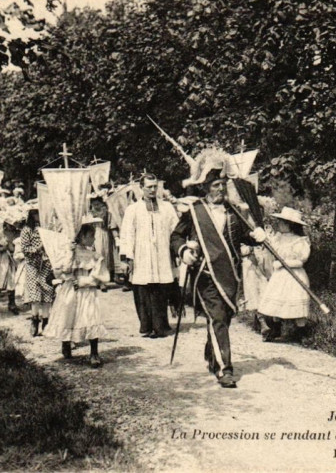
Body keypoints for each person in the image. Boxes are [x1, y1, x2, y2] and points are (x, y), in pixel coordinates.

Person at [170, 150, 266, 388]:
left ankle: (213, 355)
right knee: (218, 318)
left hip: (231, 273)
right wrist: (183, 250)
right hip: (206, 273)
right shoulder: (195, 211)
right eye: (215, 185)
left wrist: (257, 236)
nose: (220, 189)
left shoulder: (234, 211)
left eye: (223, 185)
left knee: (225, 318)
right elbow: (175, 236)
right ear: (205, 187)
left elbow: (245, 236)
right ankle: (225, 369)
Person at [120, 173, 180, 338]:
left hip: (162, 254)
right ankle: (147, 326)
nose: (153, 190)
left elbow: (176, 230)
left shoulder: (167, 207)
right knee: (144, 289)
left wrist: (177, 251)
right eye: (149, 187)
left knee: (161, 289)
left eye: (155, 186)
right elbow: (127, 234)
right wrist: (127, 258)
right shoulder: (133, 209)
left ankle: (161, 326)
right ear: (141, 188)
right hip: (142, 255)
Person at [46, 216, 110, 367]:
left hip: (87, 291)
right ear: (81, 236)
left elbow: (99, 276)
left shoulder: (94, 256)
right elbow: (61, 271)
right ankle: (66, 343)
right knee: (68, 315)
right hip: (70, 290)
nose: (94, 239)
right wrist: (70, 253)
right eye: (91, 236)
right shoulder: (68, 253)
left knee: (90, 318)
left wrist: (83, 281)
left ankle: (94, 352)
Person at [257, 207, 311, 341]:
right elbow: (271, 251)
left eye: (282, 222)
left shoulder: (300, 241)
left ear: (290, 225)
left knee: (295, 301)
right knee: (277, 301)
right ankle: (275, 330)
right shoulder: (278, 238)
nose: (279, 225)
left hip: (294, 276)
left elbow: (301, 260)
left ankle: (300, 333)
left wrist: (283, 263)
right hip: (280, 276)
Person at [21, 206, 55, 336]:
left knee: (47, 292)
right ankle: (34, 320)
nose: (38, 215)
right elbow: (25, 249)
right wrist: (38, 248)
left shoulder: (46, 229)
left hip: (46, 264)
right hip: (33, 264)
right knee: (34, 294)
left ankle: (46, 321)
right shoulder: (26, 230)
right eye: (35, 213)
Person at [0, 221, 21, 314]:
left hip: (18, 259)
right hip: (6, 260)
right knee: (11, 280)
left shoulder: (19, 233)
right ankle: (12, 303)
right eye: (9, 224)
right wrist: (4, 247)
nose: (12, 226)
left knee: (18, 280)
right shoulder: (1, 233)